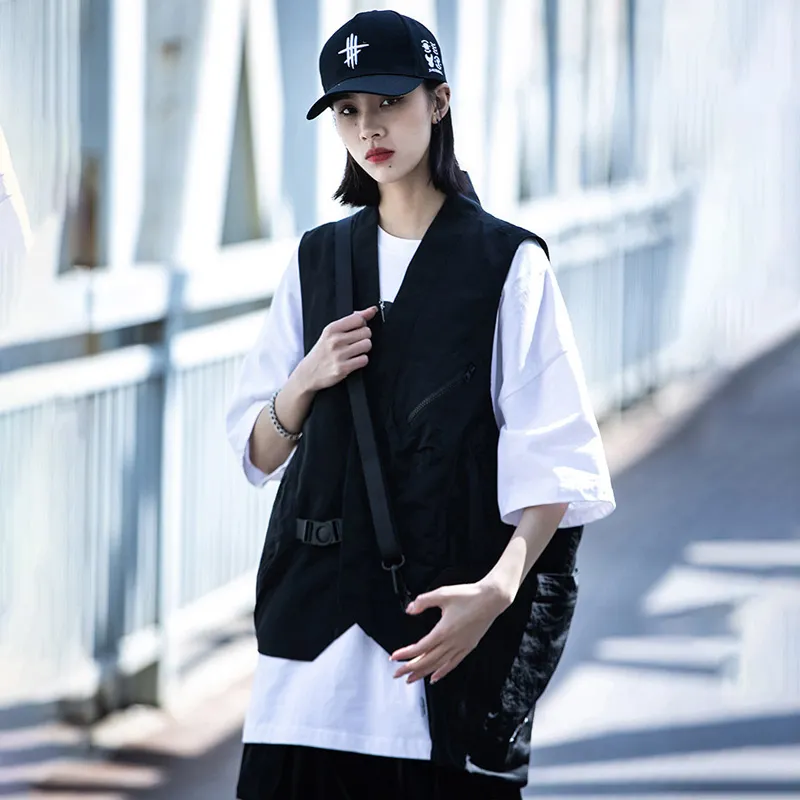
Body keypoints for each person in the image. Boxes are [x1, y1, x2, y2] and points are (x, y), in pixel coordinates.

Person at [226, 9, 615, 799]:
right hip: (306, 664)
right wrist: (304, 379)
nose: (369, 128)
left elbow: (555, 460)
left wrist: (496, 594)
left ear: (439, 102)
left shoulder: (508, 263)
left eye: (390, 103)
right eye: (348, 110)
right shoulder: (317, 259)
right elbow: (257, 452)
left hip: (438, 652)